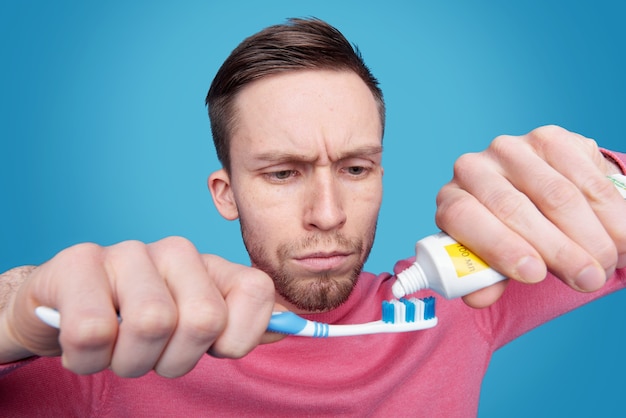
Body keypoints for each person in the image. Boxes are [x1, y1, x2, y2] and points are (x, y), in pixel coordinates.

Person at [0, 17, 624, 416]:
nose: (328, 215)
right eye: (282, 172)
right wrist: (15, 312)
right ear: (225, 193)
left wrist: (597, 179)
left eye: (355, 169)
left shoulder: (466, 298)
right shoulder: (121, 347)